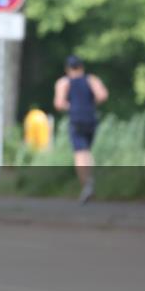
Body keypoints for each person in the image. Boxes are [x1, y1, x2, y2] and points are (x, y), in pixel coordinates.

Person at [54, 54, 108, 203]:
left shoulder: (64, 82)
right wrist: (90, 104)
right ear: (82, 67)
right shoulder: (91, 79)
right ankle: (90, 180)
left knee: (79, 152)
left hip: (76, 119)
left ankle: (86, 184)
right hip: (91, 118)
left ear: (67, 69)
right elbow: (102, 95)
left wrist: (71, 107)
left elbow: (59, 103)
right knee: (87, 151)